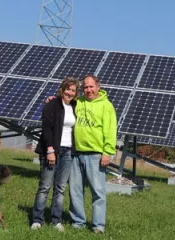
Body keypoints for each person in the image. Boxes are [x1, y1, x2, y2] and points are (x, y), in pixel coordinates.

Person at [69, 75, 117, 233]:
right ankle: (78, 222)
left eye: (91, 87)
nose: (88, 90)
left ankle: (98, 226)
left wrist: (107, 152)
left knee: (98, 192)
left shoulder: (106, 106)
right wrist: (51, 99)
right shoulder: (79, 102)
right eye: (85, 87)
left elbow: (110, 131)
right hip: (77, 153)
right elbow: (64, 100)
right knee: (75, 190)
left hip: (96, 154)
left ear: (98, 87)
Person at [30, 77, 79, 232]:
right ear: (62, 89)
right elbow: (46, 129)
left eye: (73, 90)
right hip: (52, 150)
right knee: (45, 186)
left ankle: (56, 220)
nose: (70, 93)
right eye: (68, 89)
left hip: (68, 152)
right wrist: (50, 150)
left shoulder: (76, 106)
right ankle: (37, 220)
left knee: (60, 188)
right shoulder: (52, 104)